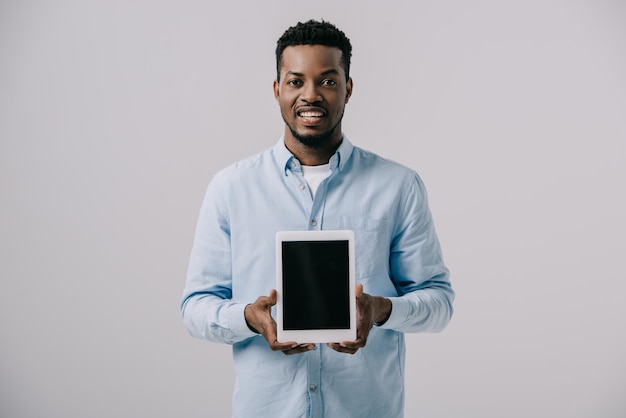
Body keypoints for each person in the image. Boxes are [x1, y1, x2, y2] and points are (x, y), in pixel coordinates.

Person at [181, 19, 454, 418]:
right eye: (295, 82)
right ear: (277, 90)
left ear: (348, 88)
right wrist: (248, 318)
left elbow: (438, 302)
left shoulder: (399, 186)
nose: (310, 95)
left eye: (327, 81)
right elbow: (195, 307)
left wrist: (382, 311)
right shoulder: (231, 188)